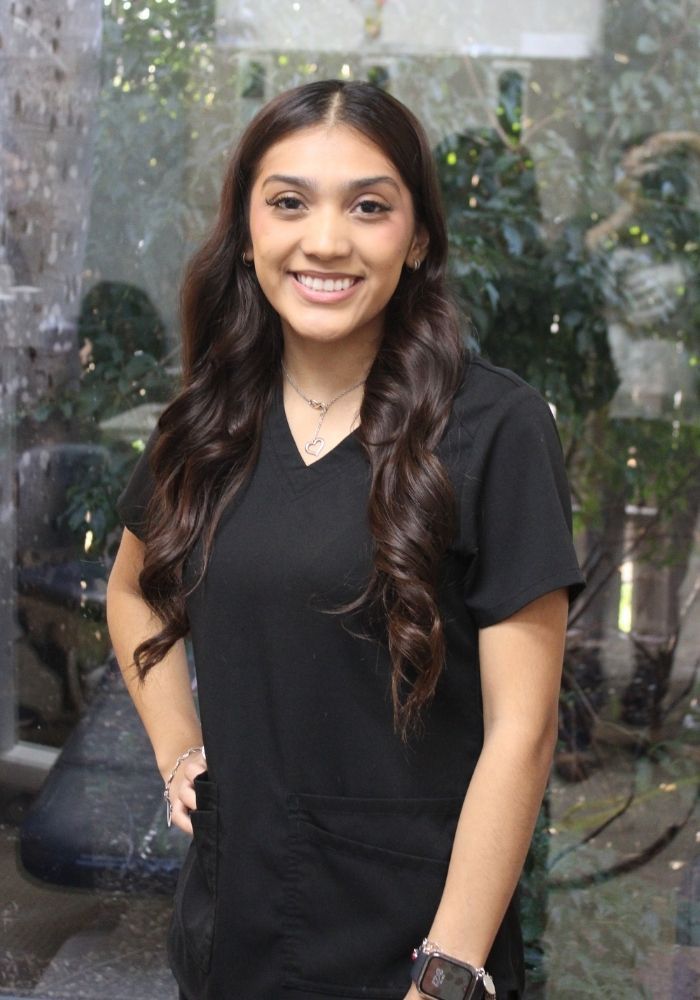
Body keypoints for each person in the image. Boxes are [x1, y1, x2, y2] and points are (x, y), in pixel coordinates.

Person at [106, 79, 585, 1000]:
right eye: (289, 202)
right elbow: (134, 591)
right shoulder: (206, 422)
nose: (325, 241)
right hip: (232, 922)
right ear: (249, 234)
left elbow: (522, 733)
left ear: (418, 240)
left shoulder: (496, 426)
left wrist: (446, 974)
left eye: (369, 206)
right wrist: (179, 747)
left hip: (421, 934)